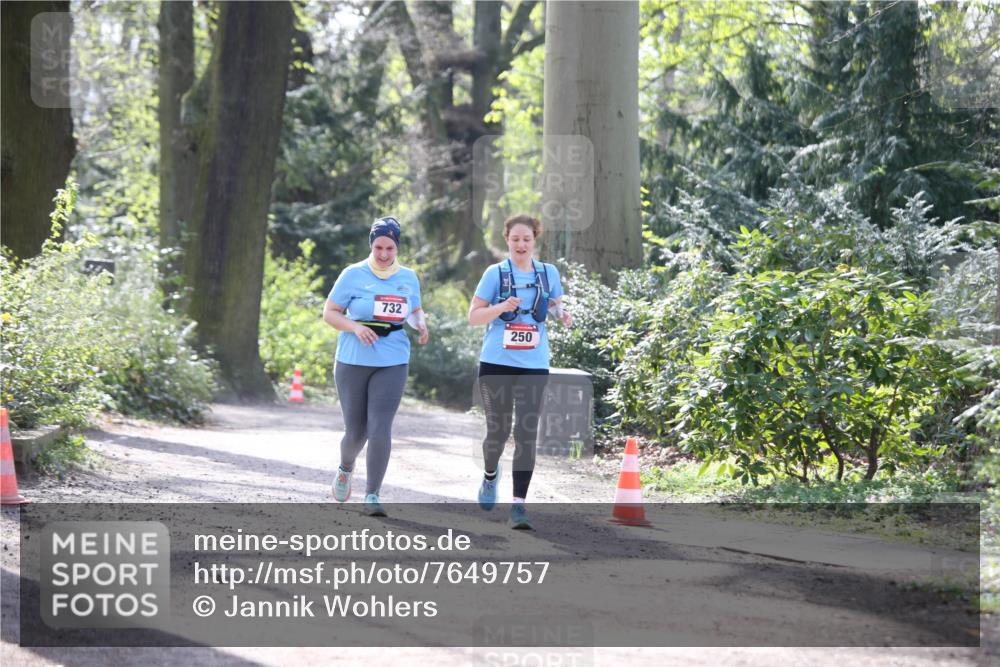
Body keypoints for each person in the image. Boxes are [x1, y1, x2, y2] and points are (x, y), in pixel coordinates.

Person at [467, 214, 572, 529]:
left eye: (526, 239)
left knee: (527, 434)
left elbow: (555, 304)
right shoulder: (494, 274)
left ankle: (518, 507)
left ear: (534, 240)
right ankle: (489, 475)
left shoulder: (547, 273)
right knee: (498, 431)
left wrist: (563, 314)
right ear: (507, 240)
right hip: (496, 363)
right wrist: (500, 307)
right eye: (515, 239)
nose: (521, 245)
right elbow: (474, 316)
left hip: (534, 365)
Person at [323, 216, 429, 516]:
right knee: (356, 433)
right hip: (353, 360)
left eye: (390, 248)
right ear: (371, 244)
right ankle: (345, 468)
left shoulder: (408, 277)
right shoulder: (352, 274)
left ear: (397, 247)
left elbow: (415, 309)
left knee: (381, 426)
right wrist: (355, 327)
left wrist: (421, 324)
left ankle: (372, 495)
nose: (384, 254)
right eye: (379, 247)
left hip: (392, 359)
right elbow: (330, 313)